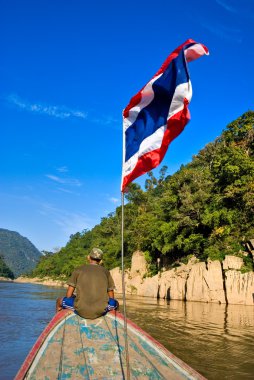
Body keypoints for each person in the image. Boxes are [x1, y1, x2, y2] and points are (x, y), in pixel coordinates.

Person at [56, 247, 118, 319]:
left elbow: (68, 295)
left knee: (59, 301)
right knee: (116, 303)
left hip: (81, 310)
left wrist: (74, 297)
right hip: (101, 310)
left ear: (88, 257)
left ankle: (58, 320)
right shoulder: (106, 272)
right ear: (100, 261)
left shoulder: (78, 269)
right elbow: (111, 296)